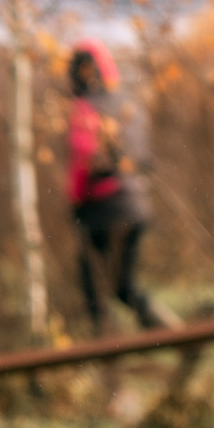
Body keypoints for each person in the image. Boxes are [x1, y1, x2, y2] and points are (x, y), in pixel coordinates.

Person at [65, 41, 164, 333]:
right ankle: (177, 336)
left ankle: (106, 348)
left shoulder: (85, 107)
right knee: (124, 286)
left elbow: (82, 157)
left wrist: (76, 199)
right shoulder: (129, 104)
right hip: (137, 204)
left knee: (94, 287)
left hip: (102, 208)